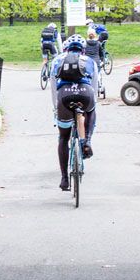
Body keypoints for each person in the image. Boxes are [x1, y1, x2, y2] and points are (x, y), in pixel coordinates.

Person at [51, 34, 98, 191]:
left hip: (64, 95)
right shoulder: (89, 61)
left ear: (66, 48)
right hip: (85, 93)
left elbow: (53, 87)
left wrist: (55, 107)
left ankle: (64, 179)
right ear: (83, 49)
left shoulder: (57, 60)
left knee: (64, 137)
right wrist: (92, 102)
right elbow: (94, 86)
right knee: (91, 111)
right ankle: (87, 141)